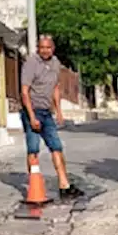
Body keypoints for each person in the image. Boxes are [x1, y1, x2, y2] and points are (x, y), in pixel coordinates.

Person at [21, 35, 84, 199]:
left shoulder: (55, 63)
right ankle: (34, 185)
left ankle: (64, 184)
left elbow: (55, 87)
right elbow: (24, 91)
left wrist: (59, 110)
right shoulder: (31, 63)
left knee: (56, 147)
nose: (45, 51)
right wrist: (32, 116)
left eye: (48, 47)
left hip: (46, 112)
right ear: (38, 48)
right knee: (33, 149)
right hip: (32, 111)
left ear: (53, 48)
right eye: (42, 47)